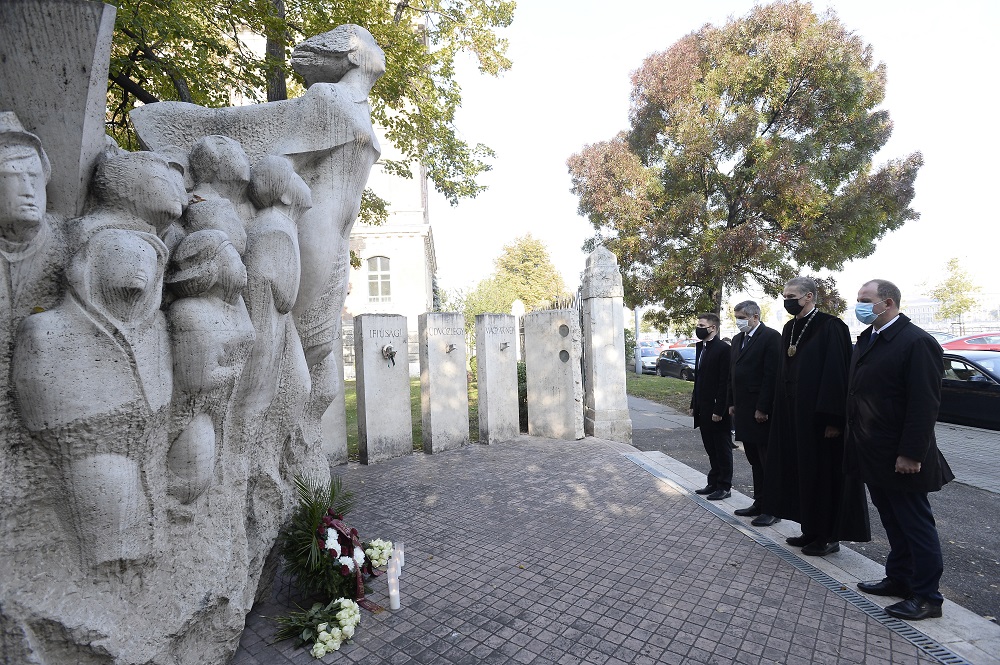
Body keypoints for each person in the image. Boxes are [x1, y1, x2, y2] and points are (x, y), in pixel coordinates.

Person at [844, 279, 953, 620]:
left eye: (865, 299)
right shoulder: (870, 338)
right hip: (873, 452)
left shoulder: (916, 342)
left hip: (901, 456)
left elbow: (924, 405)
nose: (859, 305)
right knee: (892, 520)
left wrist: (912, 454)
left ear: (887, 303)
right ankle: (900, 578)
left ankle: (927, 597)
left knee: (915, 525)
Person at [761, 277, 870, 556]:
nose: (787, 300)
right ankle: (809, 528)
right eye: (784, 295)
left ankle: (828, 535)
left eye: (791, 295)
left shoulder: (831, 326)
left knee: (823, 477)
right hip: (792, 416)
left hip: (820, 419)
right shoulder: (789, 327)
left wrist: (833, 419)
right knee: (800, 473)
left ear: (809, 296)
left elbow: (836, 375)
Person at [727, 300, 782, 526]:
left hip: (761, 411)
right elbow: (733, 373)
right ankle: (759, 502)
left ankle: (773, 508)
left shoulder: (770, 337)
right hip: (742, 409)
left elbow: (771, 375)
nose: (739, 321)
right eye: (737, 317)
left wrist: (763, 407)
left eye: (742, 317)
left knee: (767, 461)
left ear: (755, 317)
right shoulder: (738, 339)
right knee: (754, 460)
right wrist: (731, 402)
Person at [688, 313, 733, 500]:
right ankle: (713, 482)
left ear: (712, 328)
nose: (698, 327)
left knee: (722, 449)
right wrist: (693, 404)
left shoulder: (723, 349)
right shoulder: (702, 347)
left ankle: (724, 486)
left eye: (701, 325)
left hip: (717, 410)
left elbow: (725, 382)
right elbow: (698, 379)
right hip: (703, 407)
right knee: (710, 448)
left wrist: (719, 410)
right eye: (697, 324)